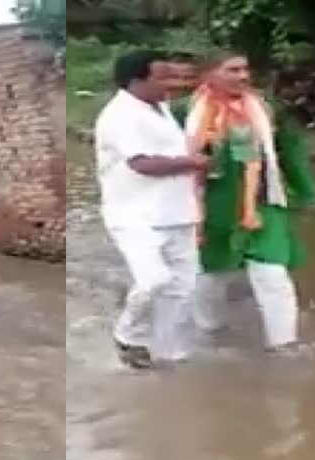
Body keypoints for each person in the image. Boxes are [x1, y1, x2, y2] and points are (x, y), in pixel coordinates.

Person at [183, 50, 315, 352]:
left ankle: (285, 347)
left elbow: (289, 150)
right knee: (211, 276)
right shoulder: (185, 111)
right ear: (209, 75)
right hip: (212, 207)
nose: (242, 77)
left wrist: (304, 190)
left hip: (262, 203)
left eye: (244, 69)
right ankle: (210, 337)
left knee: (272, 274)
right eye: (232, 70)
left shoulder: (266, 110)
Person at [94, 50, 210, 369]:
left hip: (177, 212)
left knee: (183, 288)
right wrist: (192, 162)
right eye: (163, 77)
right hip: (134, 215)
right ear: (137, 81)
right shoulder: (119, 116)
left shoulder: (161, 107)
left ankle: (169, 354)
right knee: (154, 279)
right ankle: (128, 334)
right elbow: (142, 164)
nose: (171, 84)